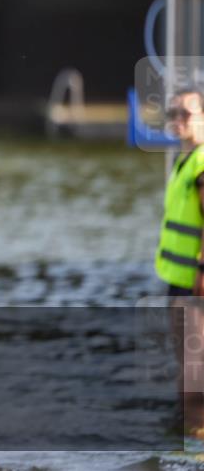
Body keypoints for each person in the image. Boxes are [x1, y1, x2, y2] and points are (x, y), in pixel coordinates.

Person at [156, 87, 204, 437]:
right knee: (186, 365)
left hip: (195, 283)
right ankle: (185, 433)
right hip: (178, 279)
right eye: (173, 113)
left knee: (194, 370)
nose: (178, 120)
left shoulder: (202, 162)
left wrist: (202, 272)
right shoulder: (183, 159)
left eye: (186, 113)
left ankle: (196, 439)